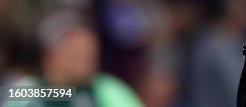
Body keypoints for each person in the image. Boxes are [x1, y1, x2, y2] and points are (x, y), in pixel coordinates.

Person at [4, 10, 143, 107]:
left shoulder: (107, 89)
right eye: (75, 50)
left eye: (90, 50)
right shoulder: (26, 89)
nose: (85, 57)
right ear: (50, 52)